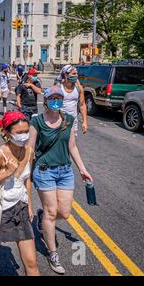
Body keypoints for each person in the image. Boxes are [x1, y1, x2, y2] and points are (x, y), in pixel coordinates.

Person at [28, 86, 93, 275]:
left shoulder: (69, 120)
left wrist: (82, 169)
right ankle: (52, 253)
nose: (56, 101)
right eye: (53, 97)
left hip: (65, 171)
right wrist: (24, 174)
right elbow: (30, 149)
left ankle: (43, 220)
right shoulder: (37, 121)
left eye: (59, 98)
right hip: (44, 170)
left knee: (64, 213)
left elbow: (72, 146)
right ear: (46, 100)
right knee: (51, 211)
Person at [0, 111, 39, 276]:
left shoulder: (29, 151)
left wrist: (30, 205)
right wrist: (7, 172)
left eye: (26, 131)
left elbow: (27, 180)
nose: (24, 136)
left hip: (21, 207)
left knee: (31, 263)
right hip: (2, 208)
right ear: (7, 132)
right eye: (19, 133)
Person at [57, 65, 88, 136]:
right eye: (73, 74)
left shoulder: (79, 88)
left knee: (71, 144)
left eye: (77, 74)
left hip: (73, 122)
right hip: (59, 121)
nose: (76, 76)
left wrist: (85, 122)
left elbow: (82, 105)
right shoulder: (58, 88)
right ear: (66, 74)